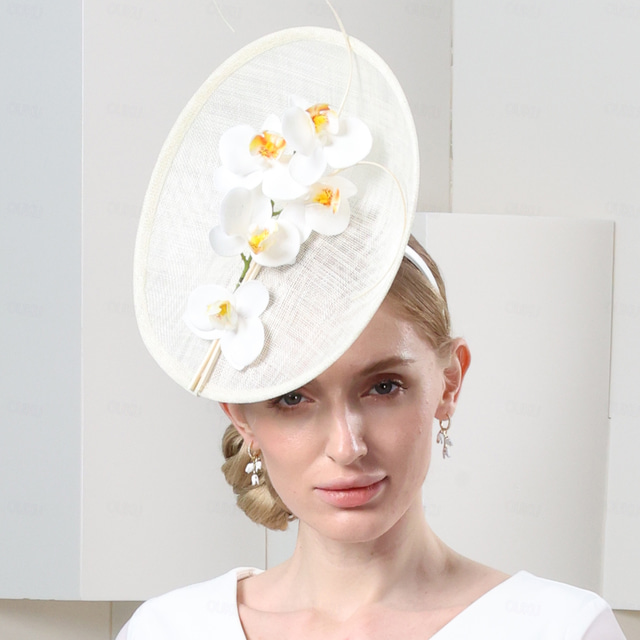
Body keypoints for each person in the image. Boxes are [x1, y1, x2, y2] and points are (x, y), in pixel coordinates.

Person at [120, 21, 626, 640]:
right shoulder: (168, 629)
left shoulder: (560, 628)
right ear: (241, 416)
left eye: (384, 387)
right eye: (293, 398)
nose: (347, 446)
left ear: (449, 382)